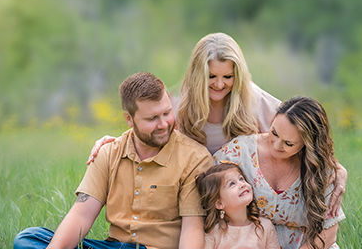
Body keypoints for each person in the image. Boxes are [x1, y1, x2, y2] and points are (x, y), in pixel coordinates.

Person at [87, 32, 347, 216]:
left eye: (228, 77)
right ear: (198, 74)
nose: (220, 84)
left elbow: (298, 130)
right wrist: (116, 140)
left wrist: (336, 168)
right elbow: (153, 126)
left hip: (242, 200)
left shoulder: (253, 99)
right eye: (211, 76)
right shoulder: (182, 102)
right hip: (195, 194)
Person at [13, 72, 212, 249]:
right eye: (152, 118)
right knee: (29, 239)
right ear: (129, 119)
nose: (163, 124)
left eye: (167, 113)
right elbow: (82, 213)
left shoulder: (194, 158)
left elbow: (193, 224)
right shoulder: (109, 152)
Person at [213, 96, 362, 249]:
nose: (277, 145)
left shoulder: (320, 169)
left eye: (288, 143)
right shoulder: (240, 152)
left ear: (308, 143)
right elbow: (209, 186)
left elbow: (329, 232)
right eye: (274, 133)